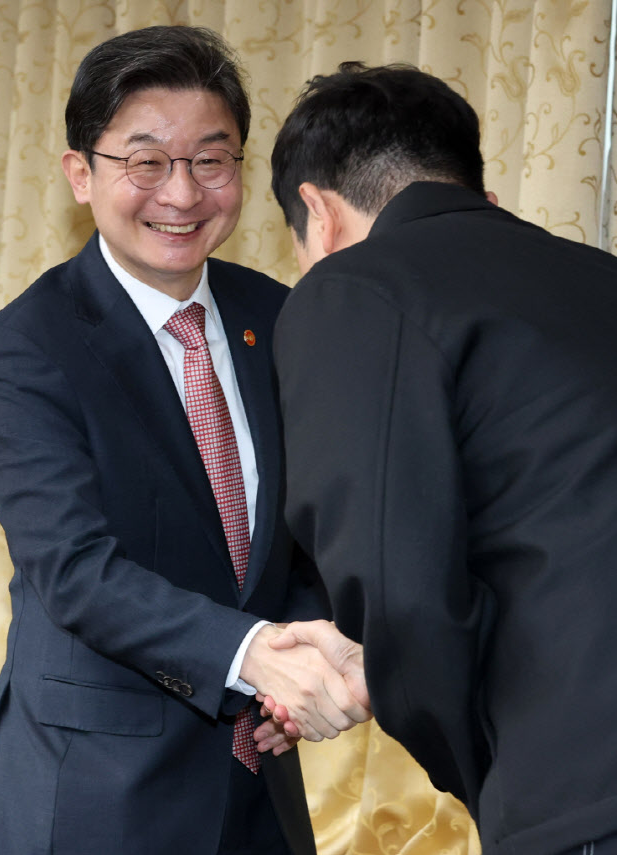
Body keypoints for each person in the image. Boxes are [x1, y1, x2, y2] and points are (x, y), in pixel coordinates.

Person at [0, 27, 370, 855]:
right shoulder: (23, 349)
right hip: (96, 793)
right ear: (83, 173)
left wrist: (302, 657)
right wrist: (256, 656)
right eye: (146, 161)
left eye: (211, 160)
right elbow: (76, 572)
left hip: (257, 781)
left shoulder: (281, 317)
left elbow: (298, 534)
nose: (181, 193)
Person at [268, 61, 617, 855]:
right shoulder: (600, 275)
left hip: (585, 778)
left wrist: (484, 767)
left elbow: (398, 587)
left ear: (317, 214)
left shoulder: (353, 287)